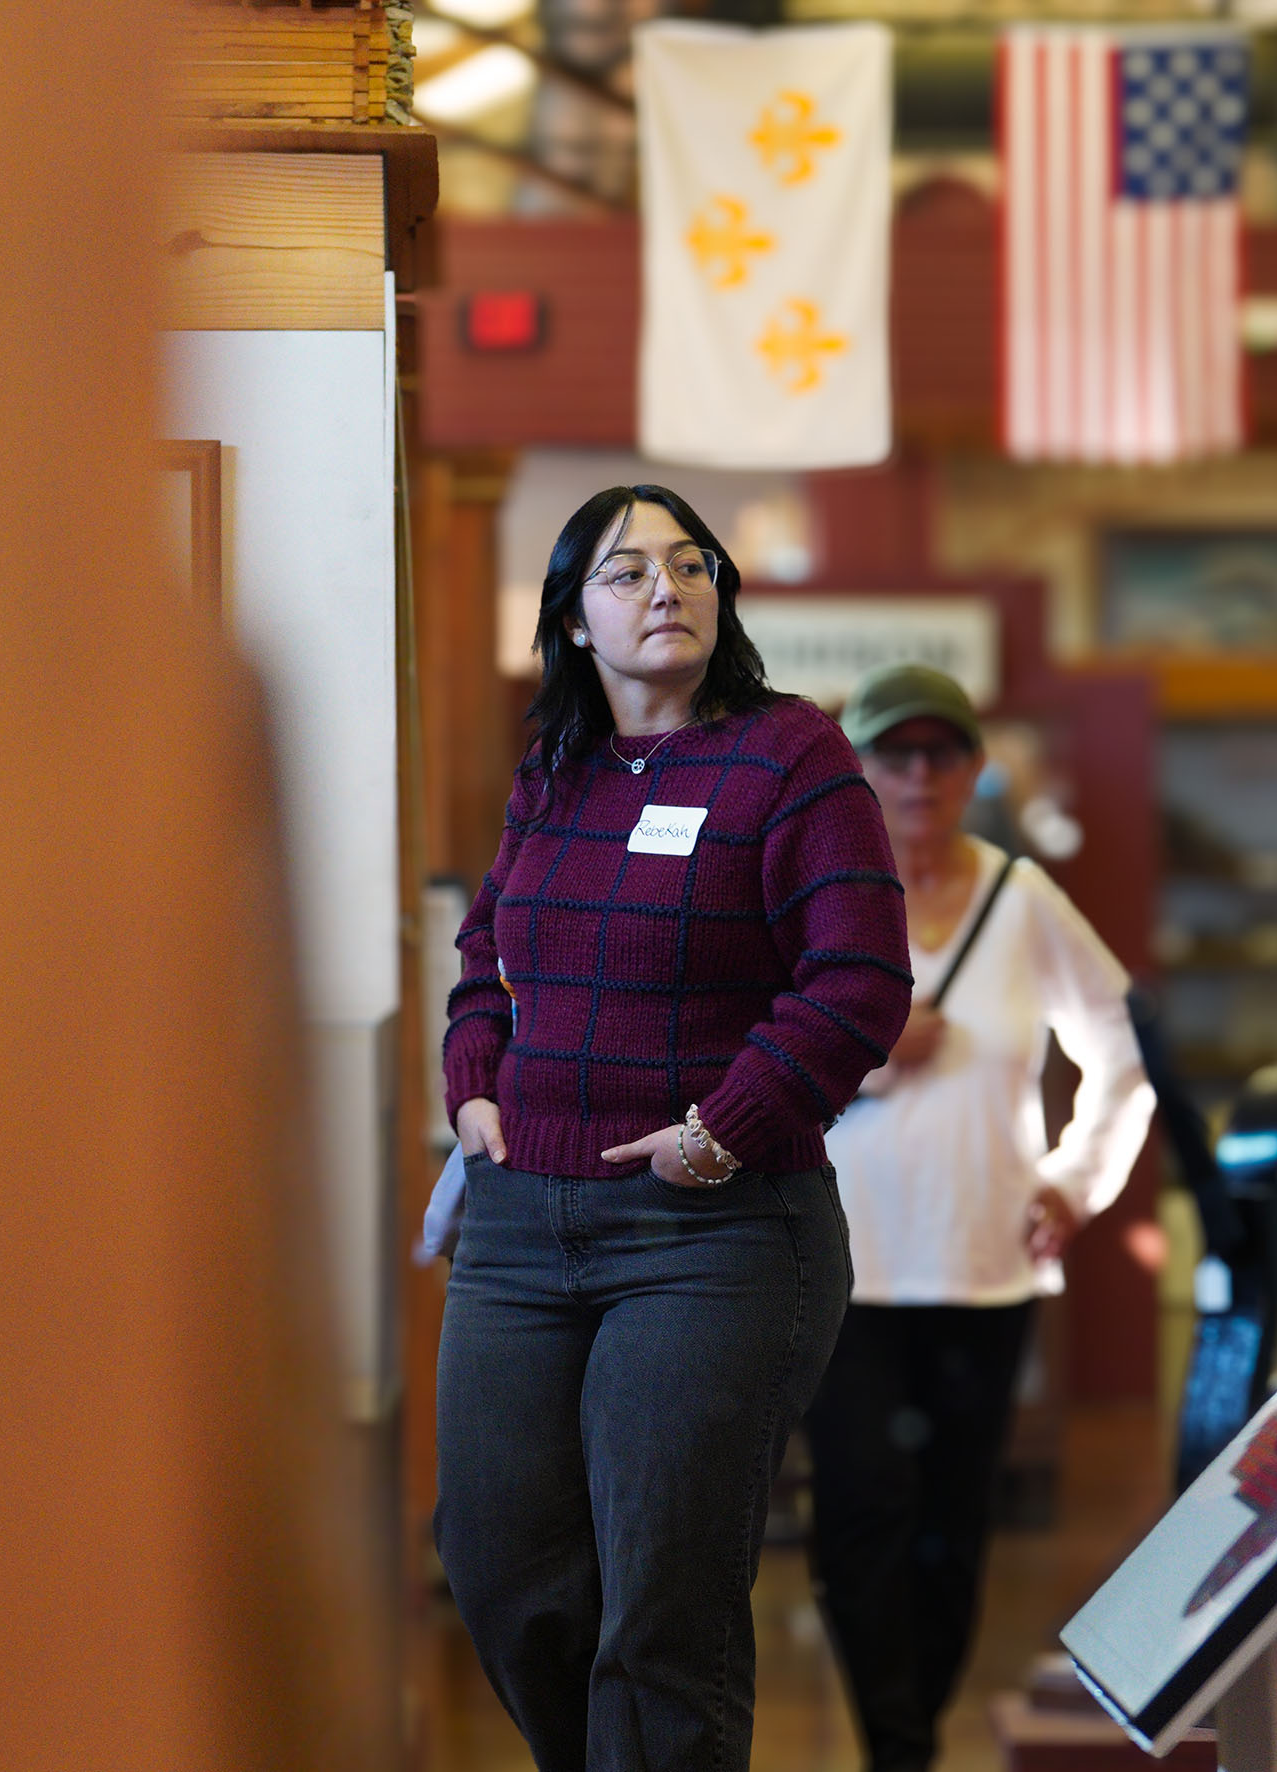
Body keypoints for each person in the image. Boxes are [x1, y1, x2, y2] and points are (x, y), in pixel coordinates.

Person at [434, 486, 911, 1772]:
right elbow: (488, 948)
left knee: (662, 1606)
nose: (666, 588)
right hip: (521, 1224)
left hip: (714, 1232)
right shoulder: (556, 768)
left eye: (690, 565)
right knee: (500, 1569)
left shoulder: (791, 754)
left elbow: (859, 979)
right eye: (628, 570)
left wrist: (725, 1128)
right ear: (575, 618)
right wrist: (472, 1073)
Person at [804, 664, 1155, 1772]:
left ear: (970, 768)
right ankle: (896, 1745)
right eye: (891, 755)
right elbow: (725, 1059)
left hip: (983, 1261)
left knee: (954, 1523)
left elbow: (1122, 1054)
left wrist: (1073, 1181)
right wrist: (858, 1054)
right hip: (836, 1268)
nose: (916, 775)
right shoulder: (809, 893)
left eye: (938, 753)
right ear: (853, 770)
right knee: (861, 1511)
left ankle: (907, 1733)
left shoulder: (1022, 899)